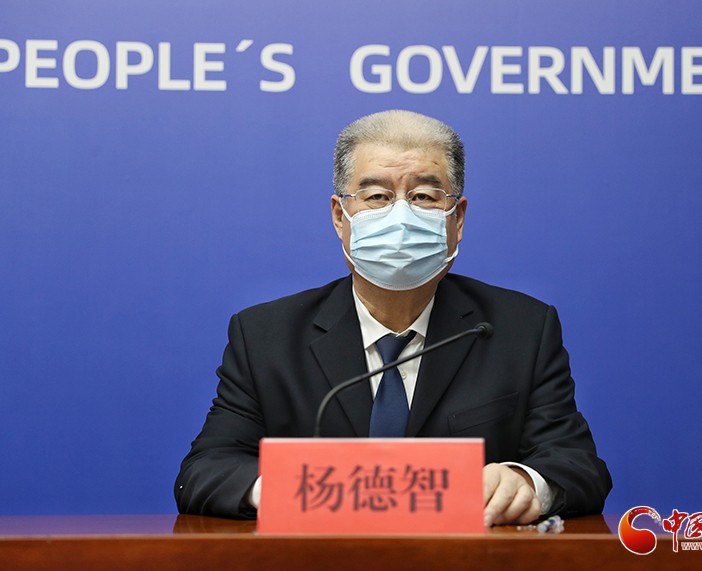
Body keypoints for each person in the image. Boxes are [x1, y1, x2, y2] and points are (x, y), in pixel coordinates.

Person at [175, 110, 612, 525]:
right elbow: (205, 470)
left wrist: (525, 482)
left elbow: (577, 466)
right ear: (340, 216)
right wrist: (286, 489)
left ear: (457, 219)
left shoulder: (521, 329)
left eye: (423, 197)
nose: (400, 215)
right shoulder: (265, 336)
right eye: (377, 197)